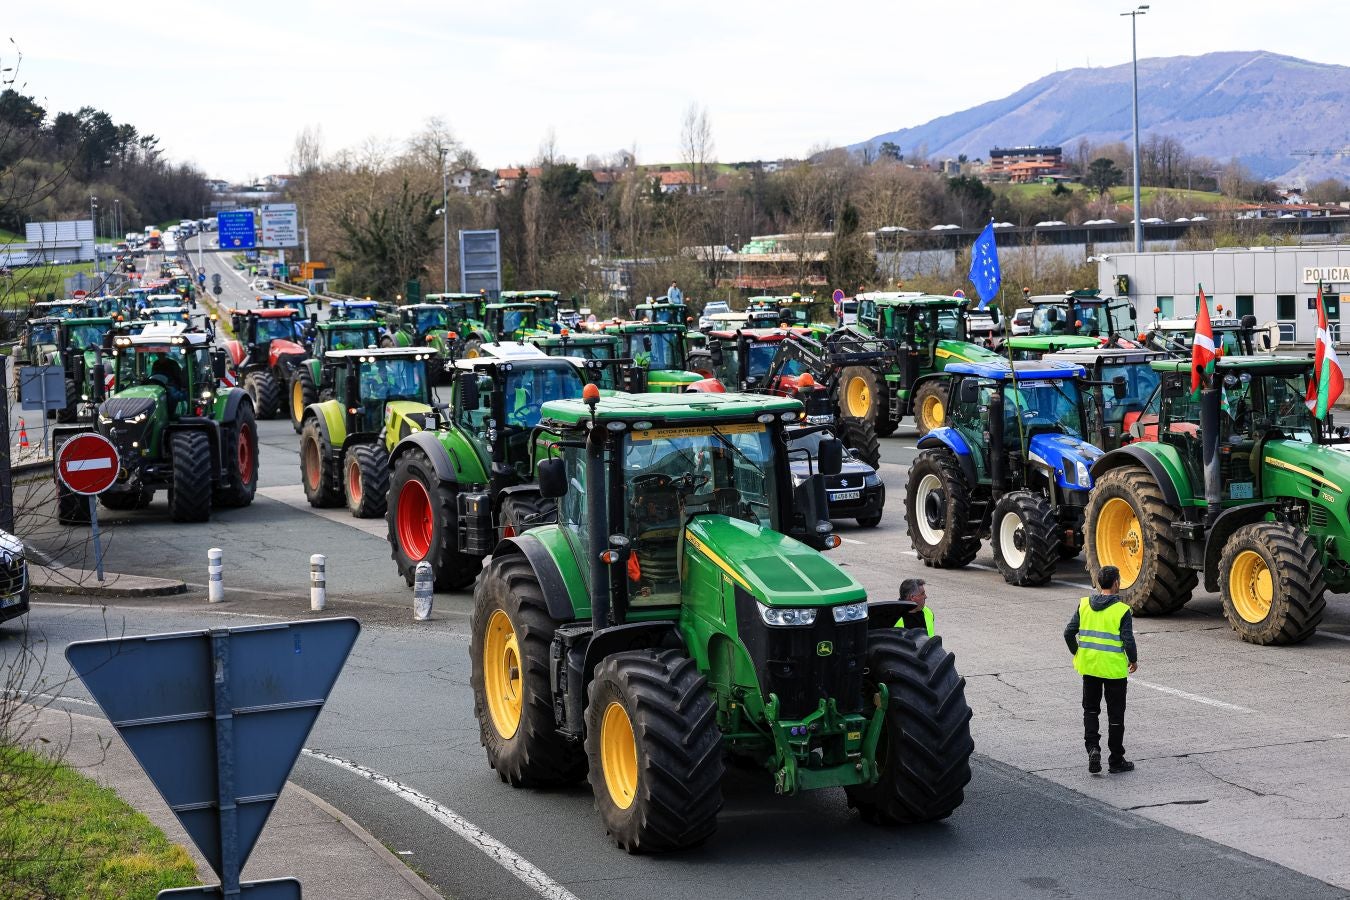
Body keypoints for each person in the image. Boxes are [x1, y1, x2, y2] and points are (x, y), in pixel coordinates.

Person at [1064, 566, 1137, 775]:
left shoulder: (1084, 605)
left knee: (1091, 710)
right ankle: (1116, 760)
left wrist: (1077, 653)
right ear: (1116, 583)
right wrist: (1133, 660)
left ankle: (1093, 749)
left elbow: (1068, 633)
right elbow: (1128, 640)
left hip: (1090, 667)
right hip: (1114, 671)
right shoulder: (1121, 610)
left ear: (1098, 582)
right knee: (1115, 716)